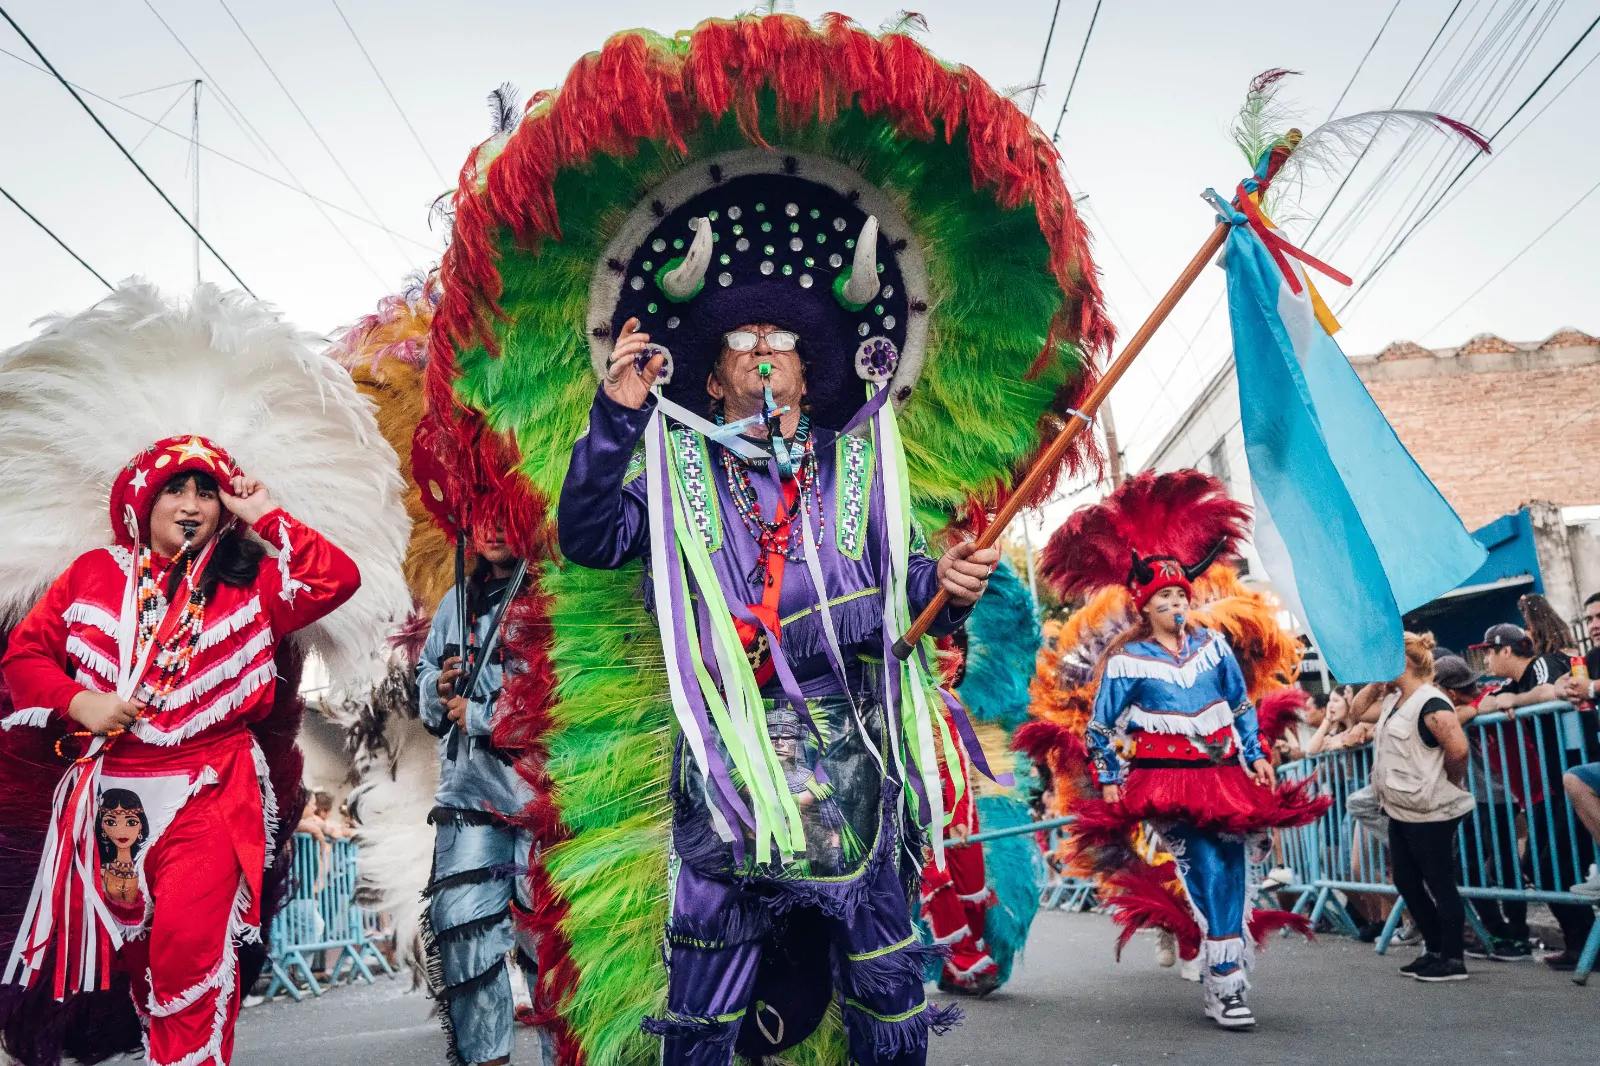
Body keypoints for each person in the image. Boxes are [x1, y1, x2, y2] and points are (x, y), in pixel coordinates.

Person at [558, 240, 998, 1057]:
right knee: (706, 978)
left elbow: (911, 585)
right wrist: (618, 412)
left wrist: (950, 582)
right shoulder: (674, 472)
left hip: (848, 746)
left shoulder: (860, 465)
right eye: (742, 340)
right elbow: (588, 535)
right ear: (711, 380)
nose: (763, 351)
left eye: (781, 340)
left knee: (884, 977)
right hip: (727, 752)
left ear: (808, 371)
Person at [1, 441, 361, 1064]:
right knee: (143, 960)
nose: (191, 506)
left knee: (188, 956)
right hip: (113, 799)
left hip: (211, 790)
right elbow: (25, 655)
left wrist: (264, 513)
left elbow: (337, 577)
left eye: (206, 493)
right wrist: (79, 701)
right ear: (143, 502)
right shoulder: (93, 573)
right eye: (175, 489)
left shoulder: (255, 585)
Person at [1048, 470, 1330, 1031]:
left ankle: (1223, 973)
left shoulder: (1214, 647)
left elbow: (1241, 704)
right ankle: (1225, 980)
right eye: (1165, 597)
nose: (1177, 604)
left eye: (1181, 595)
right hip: (1165, 779)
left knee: (1232, 867)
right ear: (1145, 607)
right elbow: (1100, 728)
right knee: (1204, 865)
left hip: (1224, 773)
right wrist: (1109, 778)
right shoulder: (1127, 661)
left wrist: (1255, 754)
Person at [418, 521, 539, 1066]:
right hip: (468, 797)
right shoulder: (455, 602)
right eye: (480, 516)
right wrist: (437, 687)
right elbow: (427, 673)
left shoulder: (558, 599)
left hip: (544, 800)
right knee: (464, 933)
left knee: (553, 950)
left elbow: (574, 694)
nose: (492, 530)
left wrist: (486, 715)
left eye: (502, 514)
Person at [1472, 622, 1596, 969]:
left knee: (1553, 865)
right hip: (1556, 786)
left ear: (1506, 650)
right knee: (1541, 867)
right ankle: (1582, 942)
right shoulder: (1513, 682)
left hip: (1577, 779)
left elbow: (1552, 692)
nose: (1485, 661)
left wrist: (1515, 700)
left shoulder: (1543, 664)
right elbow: (1484, 705)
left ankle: (1586, 944)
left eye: (1488, 652)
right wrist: (1501, 700)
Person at [1368, 634, 1474, 981]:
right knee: (1407, 880)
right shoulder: (1394, 700)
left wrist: (1450, 782)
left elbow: (1458, 749)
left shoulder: (1431, 701)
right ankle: (1434, 949)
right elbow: (1357, 712)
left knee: (1439, 881)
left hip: (1429, 807)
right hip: (1400, 806)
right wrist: (1375, 682)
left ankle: (1453, 959)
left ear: (1404, 661)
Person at [1431, 655, 1532, 960]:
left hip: (1502, 795)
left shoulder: (1491, 696)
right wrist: (1472, 709)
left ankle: (1518, 934)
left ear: (1449, 692)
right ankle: (1496, 929)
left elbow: (1484, 704)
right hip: (1476, 797)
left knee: (1504, 864)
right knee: (1464, 863)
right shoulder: (1466, 706)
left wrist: (1476, 708)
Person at [1557, 591, 1600, 899]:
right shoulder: (1594, 657)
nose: (1594, 625)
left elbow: (1590, 687)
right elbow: (1562, 681)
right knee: (1575, 779)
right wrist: (1567, 689)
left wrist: (1592, 688)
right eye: (1590, 619)